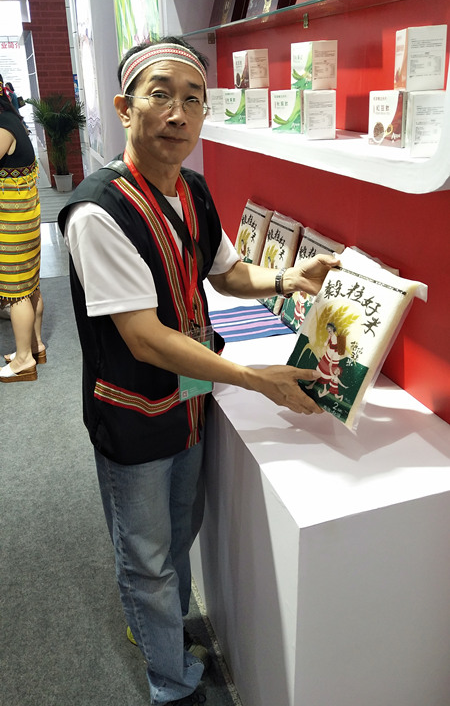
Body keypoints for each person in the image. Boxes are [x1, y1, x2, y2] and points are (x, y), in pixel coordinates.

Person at [58, 37, 339, 706]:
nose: (178, 114)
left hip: (187, 399)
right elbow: (145, 339)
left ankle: (157, 626)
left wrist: (287, 278)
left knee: (179, 530)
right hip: (133, 409)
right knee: (147, 552)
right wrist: (257, 378)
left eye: (193, 99)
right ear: (125, 108)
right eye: (160, 95)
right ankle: (171, 683)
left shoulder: (193, 189)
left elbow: (227, 272)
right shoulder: (98, 212)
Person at [0, 81, 45, 382]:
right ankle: (35, 346)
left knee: (16, 293)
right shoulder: (11, 119)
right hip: (24, 219)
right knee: (30, 288)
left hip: (13, 225)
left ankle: (24, 361)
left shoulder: (3, 127)